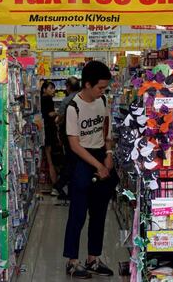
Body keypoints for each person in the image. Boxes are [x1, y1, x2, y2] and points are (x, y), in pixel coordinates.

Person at [63, 61, 118, 279]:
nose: (102, 92)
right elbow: (74, 144)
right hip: (81, 160)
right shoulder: (72, 107)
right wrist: (98, 165)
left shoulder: (102, 101)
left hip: (100, 155)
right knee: (77, 214)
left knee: (99, 213)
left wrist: (109, 154)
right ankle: (72, 262)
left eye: (104, 88)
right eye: (100, 88)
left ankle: (93, 258)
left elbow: (106, 128)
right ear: (87, 84)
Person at [54, 76, 81, 199]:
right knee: (75, 161)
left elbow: (59, 118)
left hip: (68, 135)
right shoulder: (82, 98)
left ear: (68, 87)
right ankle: (71, 189)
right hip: (82, 135)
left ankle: (60, 185)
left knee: (70, 160)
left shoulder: (67, 100)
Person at [40, 80, 60, 196]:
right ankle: (55, 186)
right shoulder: (47, 99)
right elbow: (50, 114)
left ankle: (51, 185)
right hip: (49, 132)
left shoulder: (42, 99)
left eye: (53, 88)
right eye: (51, 88)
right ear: (44, 89)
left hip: (46, 131)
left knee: (48, 159)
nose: (53, 90)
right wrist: (59, 112)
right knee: (51, 160)